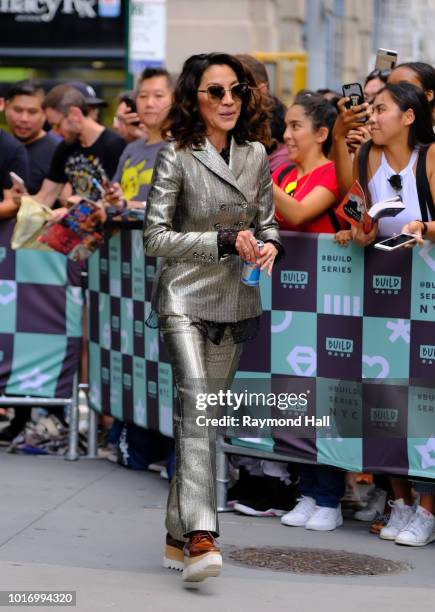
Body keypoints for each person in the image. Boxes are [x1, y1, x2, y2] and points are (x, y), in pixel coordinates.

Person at [143, 52, 281, 582]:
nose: (228, 100)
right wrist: (222, 240)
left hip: (235, 300)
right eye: (215, 91)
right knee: (197, 409)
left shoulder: (256, 154)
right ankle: (204, 535)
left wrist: (268, 247)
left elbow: (267, 224)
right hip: (182, 296)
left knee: (203, 421)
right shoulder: (176, 156)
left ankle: (177, 535)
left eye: (236, 90)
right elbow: (155, 238)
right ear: (193, 98)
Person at [334, 81, 435, 546]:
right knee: (382, 397)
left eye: (381, 109)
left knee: (424, 403)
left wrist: (427, 227)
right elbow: (358, 223)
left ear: (409, 117)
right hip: (382, 296)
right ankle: (399, 500)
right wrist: (357, 233)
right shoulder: (366, 158)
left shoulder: (430, 158)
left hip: (427, 298)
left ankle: (428, 509)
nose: (371, 117)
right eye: (371, 110)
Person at [271, 91, 347, 531]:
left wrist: (260, 185)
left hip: (328, 303)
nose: (287, 134)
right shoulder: (283, 170)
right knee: (293, 393)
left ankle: (330, 498)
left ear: (322, 133)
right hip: (287, 304)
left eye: (296, 126)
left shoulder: (329, 173)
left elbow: (299, 214)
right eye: (288, 126)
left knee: (325, 396)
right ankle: (306, 489)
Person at [26, 84, 125, 208]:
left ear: (75, 114)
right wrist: (23, 200)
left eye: (57, 125)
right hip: (76, 222)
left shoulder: (114, 145)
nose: (55, 132)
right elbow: (45, 196)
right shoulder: (65, 147)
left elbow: (116, 201)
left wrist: (68, 212)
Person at [111, 68, 173, 206]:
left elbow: (172, 207)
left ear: (175, 100)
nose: (149, 103)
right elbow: (116, 194)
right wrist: (112, 197)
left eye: (158, 96)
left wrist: (126, 204)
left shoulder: (183, 148)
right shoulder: (131, 149)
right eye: (143, 96)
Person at [4, 80, 60, 194]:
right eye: (18, 110)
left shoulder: (59, 151)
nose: (24, 118)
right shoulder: (4, 145)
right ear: (5, 107)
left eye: (32, 112)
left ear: (45, 114)